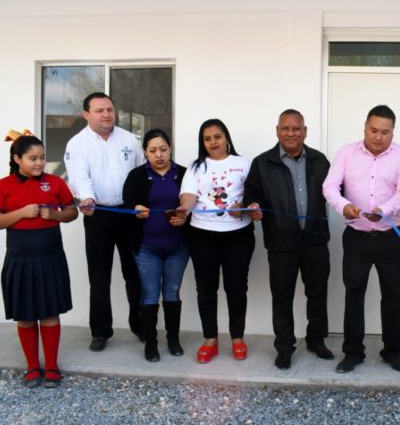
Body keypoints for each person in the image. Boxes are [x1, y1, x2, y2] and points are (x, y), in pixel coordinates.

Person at [322, 105, 400, 374]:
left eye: (385, 132)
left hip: (390, 237)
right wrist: (344, 206)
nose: (378, 137)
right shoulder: (346, 153)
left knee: (393, 295)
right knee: (354, 294)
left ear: (392, 132)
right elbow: (329, 186)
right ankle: (353, 352)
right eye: (374, 130)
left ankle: (393, 351)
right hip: (356, 237)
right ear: (365, 126)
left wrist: (383, 211)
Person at [244, 109, 333, 370]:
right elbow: (251, 193)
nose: (291, 133)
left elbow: (337, 191)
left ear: (305, 132)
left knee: (317, 294)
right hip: (281, 242)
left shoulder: (320, 160)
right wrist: (253, 206)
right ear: (277, 131)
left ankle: (316, 340)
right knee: (281, 297)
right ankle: (284, 347)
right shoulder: (262, 163)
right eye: (286, 128)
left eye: (296, 128)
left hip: (316, 240)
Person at [0, 131, 78, 388]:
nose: (40, 163)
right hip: (20, 259)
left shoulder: (55, 182)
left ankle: (51, 366)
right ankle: (31, 367)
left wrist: (54, 216)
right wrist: (21, 213)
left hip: (50, 257)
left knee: (50, 313)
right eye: (33, 158)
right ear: (17, 159)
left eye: (42, 158)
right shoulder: (2, 186)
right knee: (26, 315)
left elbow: (71, 212)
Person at [64, 92, 144, 352]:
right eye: (99, 110)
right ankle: (100, 331)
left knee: (134, 273)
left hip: (129, 215)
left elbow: (141, 174)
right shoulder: (77, 144)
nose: (107, 115)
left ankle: (141, 325)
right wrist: (87, 198)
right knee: (99, 276)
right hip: (97, 214)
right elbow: (78, 175)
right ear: (86, 114)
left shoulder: (130, 139)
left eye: (109, 109)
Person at [177, 119, 256, 364]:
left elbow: (254, 194)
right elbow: (189, 195)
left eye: (217, 137)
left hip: (238, 234)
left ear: (227, 138)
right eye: (207, 138)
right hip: (202, 234)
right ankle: (210, 339)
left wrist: (243, 206)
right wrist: (184, 209)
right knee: (206, 288)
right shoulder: (196, 167)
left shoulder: (243, 163)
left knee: (236, 287)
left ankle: (237, 338)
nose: (213, 142)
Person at [122, 129, 190, 362]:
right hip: (147, 247)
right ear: (145, 152)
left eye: (163, 149)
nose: (158, 155)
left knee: (172, 292)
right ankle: (151, 343)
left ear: (170, 148)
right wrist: (135, 211)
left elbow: (193, 203)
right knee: (150, 295)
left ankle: (173, 339)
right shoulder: (136, 176)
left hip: (178, 247)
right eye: (152, 151)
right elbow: (127, 204)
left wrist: (186, 216)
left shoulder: (183, 173)